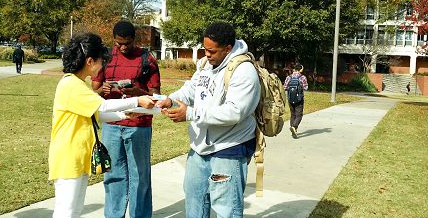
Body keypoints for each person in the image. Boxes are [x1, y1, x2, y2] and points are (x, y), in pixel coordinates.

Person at [156, 22, 261, 218]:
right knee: (194, 203)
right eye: (205, 49)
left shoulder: (244, 71)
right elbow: (191, 90)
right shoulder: (206, 64)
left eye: (211, 51)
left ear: (228, 48)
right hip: (199, 148)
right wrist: (170, 99)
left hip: (229, 149)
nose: (207, 54)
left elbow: (235, 112)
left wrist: (190, 114)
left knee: (226, 210)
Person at [49, 32, 155, 218]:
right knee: (66, 212)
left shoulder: (78, 83)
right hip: (68, 158)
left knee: (74, 211)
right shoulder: (70, 84)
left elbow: (97, 114)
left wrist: (124, 114)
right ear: (90, 61)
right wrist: (136, 101)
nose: (103, 65)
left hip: (78, 157)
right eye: (100, 60)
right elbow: (103, 105)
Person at [91, 20, 161, 218]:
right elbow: (94, 91)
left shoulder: (147, 59)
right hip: (111, 124)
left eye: (127, 43)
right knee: (113, 175)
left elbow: (156, 96)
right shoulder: (104, 58)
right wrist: (101, 89)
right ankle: (114, 215)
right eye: (118, 43)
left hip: (139, 125)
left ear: (134, 40)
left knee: (140, 176)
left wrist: (137, 92)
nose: (123, 47)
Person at [283, 63, 308, 139]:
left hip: (290, 98)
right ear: (301, 69)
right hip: (299, 99)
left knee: (293, 114)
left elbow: (284, 87)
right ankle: (294, 127)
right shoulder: (302, 77)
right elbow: (306, 87)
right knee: (299, 115)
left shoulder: (289, 77)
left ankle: (293, 130)